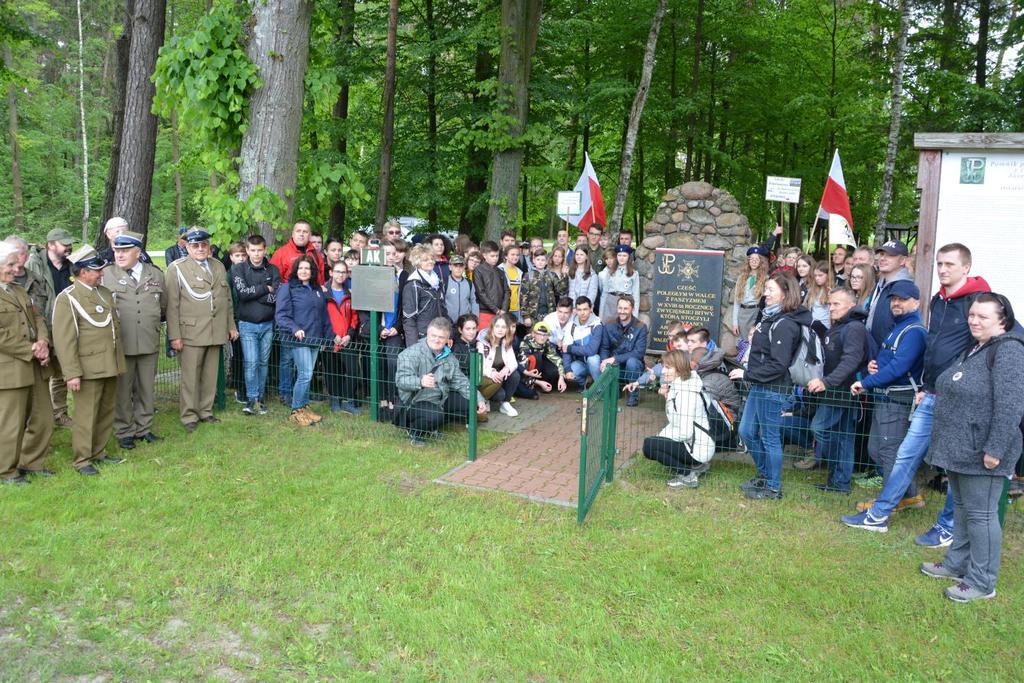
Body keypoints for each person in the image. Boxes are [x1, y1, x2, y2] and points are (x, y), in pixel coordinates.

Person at [842, 243, 991, 545]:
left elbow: (1002, 336)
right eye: (939, 264)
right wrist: (926, 386)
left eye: (950, 264)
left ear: (966, 268)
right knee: (904, 456)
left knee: (955, 466)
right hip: (932, 394)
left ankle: (948, 527)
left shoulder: (979, 300)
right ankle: (879, 515)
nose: (943, 269)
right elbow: (936, 350)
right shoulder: (939, 301)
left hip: (960, 399)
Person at [920, 293, 1024, 602]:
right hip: (961, 450)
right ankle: (956, 563)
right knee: (964, 509)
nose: (974, 320)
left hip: (984, 451)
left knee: (982, 515)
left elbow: (1010, 406)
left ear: (1002, 320)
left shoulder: (1009, 351)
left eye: (983, 317)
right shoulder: (978, 348)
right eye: (972, 315)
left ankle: (982, 582)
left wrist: (995, 449)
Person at [729, 273, 811, 500]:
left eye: (770, 289)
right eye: (766, 288)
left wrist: (748, 373)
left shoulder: (785, 324)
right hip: (760, 385)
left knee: (770, 437)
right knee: (746, 431)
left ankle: (773, 488)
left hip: (773, 388)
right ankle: (764, 475)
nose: (765, 293)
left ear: (785, 294)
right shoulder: (770, 317)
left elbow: (779, 364)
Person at [849, 280, 927, 511]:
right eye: (894, 299)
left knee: (889, 451)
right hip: (885, 396)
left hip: (897, 398)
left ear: (916, 302)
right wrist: (875, 366)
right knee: (877, 449)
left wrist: (866, 382)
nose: (896, 303)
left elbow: (899, 368)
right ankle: (911, 496)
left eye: (902, 299)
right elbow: (889, 362)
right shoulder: (899, 326)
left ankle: (889, 501)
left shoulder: (914, 331)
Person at [52, 246, 126, 475]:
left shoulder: (103, 292)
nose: (101, 274)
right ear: (82, 272)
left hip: (109, 363)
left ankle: (98, 452)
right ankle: (82, 460)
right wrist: (72, 373)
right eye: (96, 271)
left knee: (105, 411)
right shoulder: (67, 299)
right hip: (87, 367)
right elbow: (65, 341)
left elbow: (113, 329)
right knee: (86, 415)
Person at [166, 228, 239, 433]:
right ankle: (189, 414)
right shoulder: (177, 269)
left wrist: (230, 325)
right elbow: (172, 306)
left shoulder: (217, 266)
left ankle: (205, 411)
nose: (200, 249)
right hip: (190, 332)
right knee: (190, 376)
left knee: (210, 374)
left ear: (209, 246)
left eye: (204, 245)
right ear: (187, 247)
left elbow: (226, 299)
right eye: (195, 245)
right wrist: (174, 336)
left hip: (215, 330)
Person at [101, 231, 166, 450]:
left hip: (148, 339)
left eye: (125, 250)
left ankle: (144, 428)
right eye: (117, 250)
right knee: (122, 390)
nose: (119, 254)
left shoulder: (155, 274)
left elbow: (163, 305)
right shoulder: (106, 275)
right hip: (122, 342)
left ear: (138, 252)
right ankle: (124, 430)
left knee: (146, 387)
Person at [807, 288, 869, 493]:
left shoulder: (853, 328)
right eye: (830, 304)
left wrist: (828, 382)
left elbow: (851, 359)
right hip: (835, 389)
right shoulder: (839, 326)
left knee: (820, 428)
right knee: (843, 436)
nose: (831, 308)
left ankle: (839, 477)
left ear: (851, 305)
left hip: (842, 390)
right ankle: (839, 482)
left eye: (836, 304)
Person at [0, 242, 53, 484]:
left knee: (43, 416)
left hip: (35, 364)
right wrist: (29, 349)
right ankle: (6, 471)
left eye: (15, 263)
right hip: (10, 368)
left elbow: (38, 316)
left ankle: (31, 462)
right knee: (10, 423)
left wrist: (42, 341)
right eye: (9, 264)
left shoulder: (18, 290)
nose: (16, 268)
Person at [395, 317, 483, 445]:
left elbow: (462, 382)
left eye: (441, 337)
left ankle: (433, 423)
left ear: (447, 339)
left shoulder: (450, 358)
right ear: (427, 334)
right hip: (415, 401)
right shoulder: (410, 354)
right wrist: (420, 381)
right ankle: (415, 431)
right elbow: (400, 381)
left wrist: (479, 399)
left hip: (439, 398)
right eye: (433, 335)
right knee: (435, 415)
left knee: (470, 404)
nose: (436, 340)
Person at [641, 349, 715, 489]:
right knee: (655, 441)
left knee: (649, 446)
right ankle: (697, 465)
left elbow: (685, 433)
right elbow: (677, 423)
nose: (663, 371)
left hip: (698, 448)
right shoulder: (681, 384)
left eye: (668, 367)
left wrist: (662, 439)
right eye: (663, 366)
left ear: (680, 368)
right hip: (698, 444)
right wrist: (662, 436)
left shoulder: (685, 394)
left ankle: (687, 475)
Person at [270, 221, 323, 404]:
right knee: (287, 359)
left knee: (305, 369)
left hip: (310, 314)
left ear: (309, 235)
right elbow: (275, 280)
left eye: (305, 231)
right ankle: (286, 393)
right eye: (298, 231)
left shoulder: (315, 254)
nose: (302, 234)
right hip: (290, 315)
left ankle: (301, 399)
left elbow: (320, 280)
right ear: (292, 233)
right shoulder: (282, 253)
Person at [25, 228, 74, 426]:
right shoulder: (35, 264)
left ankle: (60, 413)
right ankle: (42, 416)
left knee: (63, 371)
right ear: (51, 245)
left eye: (70, 243)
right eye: (65, 244)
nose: (69, 247)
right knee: (44, 373)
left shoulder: (71, 264)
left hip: (67, 324)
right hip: (44, 324)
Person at [275, 256, 331, 427]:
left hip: (315, 338)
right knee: (305, 374)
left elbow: (324, 316)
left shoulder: (317, 290)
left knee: (307, 374)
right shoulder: (288, 288)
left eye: (307, 268)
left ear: (312, 271)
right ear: (295, 270)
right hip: (298, 339)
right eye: (300, 268)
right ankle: (296, 410)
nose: (304, 271)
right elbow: (281, 315)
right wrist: (294, 328)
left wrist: (329, 336)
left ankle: (305, 407)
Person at [231, 234, 281, 416]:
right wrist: (264, 289)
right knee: (251, 362)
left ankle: (260, 398)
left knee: (263, 362)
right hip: (247, 324)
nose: (256, 254)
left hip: (267, 324)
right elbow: (242, 293)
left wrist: (256, 295)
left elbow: (277, 297)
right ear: (247, 250)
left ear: (265, 249)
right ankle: (252, 399)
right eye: (252, 250)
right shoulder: (239, 269)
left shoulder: (273, 270)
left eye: (259, 250)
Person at [324, 261, 362, 416]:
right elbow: (321, 317)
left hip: (347, 339)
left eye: (343, 272)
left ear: (347, 274)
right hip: (330, 339)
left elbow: (355, 316)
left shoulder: (350, 294)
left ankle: (348, 401)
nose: (340, 275)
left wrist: (349, 334)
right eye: (337, 271)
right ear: (331, 272)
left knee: (353, 370)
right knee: (333, 372)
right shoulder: (323, 293)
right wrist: (332, 335)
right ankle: (335, 401)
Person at [599, 295, 648, 407]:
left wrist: (614, 359)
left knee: (632, 361)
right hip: (615, 367)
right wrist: (604, 361)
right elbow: (604, 348)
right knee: (613, 397)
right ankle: (615, 390)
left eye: (626, 308)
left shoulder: (641, 327)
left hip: (633, 367)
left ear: (632, 309)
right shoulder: (609, 325)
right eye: (620, 308)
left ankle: (633, 395)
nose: (622, 311)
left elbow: (639, 353)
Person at [865, 240, 914, 348]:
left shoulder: (904, 288)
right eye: (882, 254)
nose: (882, 258)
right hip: (873, 356)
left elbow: (904, 330)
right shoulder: (880, 284)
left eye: (890, 255)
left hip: (887, 358)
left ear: (902, 260)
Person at [685, 327, 741, 414]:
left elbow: (707, 401)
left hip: (721, 415)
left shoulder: (716, 362)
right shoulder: (690, 355)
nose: (688, 344)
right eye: (687, 340)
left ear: (704, 344)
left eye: (692, 341)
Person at [402, 244, 447, 347]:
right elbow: (409, 317)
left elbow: (443, 310)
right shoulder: (413, 284)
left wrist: (448, 334)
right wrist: (413, 346)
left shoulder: (437, 281)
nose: (430, 261)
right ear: (418, 263)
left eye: (431, 258)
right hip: (422, 336)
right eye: (425, 260)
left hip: (439, 334)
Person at [477, 314, 520, 417]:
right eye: (497, 326)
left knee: (515, 375)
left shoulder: (506, 341)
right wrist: (491, 372)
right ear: (492, 327)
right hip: (486, 376)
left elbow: (513, 362)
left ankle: (505, 403)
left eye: (503, 327)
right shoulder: (483, 342)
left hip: (500, 375)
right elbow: (479, 365)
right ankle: (484, 399)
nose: (500, 330)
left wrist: (507, 369)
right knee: (500, 395)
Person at [517, 321, 567, 398]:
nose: (542, 337)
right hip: (526, 374)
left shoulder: (547, 343)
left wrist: (561, 377)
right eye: (539, 334)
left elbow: (557, 360)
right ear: (533, 334)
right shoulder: (525, 344)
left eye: (545, 335)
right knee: (537, 357)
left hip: (538, 370)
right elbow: (522, 371)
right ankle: (535, 384)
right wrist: (538, 382)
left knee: (553, 370)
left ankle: (546, 384)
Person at [562, 296, 603, 387]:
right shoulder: (571, 326)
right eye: (579, 310)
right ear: (575, 310)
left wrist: (570, 348)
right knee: (571, 370)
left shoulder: (597, 325)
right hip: (581, 363)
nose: (582, 313)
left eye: (585, 309)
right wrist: (568, 370)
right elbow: (565, 351)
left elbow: (591, 350)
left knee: (593, 358)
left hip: (597, 364)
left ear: (591, 309)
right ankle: (584, 385)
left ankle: (601, 388)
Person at [520, 249, 566, 329]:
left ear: (546, 261)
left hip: (549, 314)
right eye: (538, 259)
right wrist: (526, 316)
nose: (540, 262)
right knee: (534, 336)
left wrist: (564, 277)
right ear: (533, 260)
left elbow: (560, 291)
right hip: (533, 316)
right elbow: (523, 297)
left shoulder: (551, 275)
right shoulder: (528, 276)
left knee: (548, 337)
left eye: (543, 260)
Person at [732, 246, 769, 343]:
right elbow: (737, 301)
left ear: (761, 261)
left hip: (756, 313)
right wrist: (735, 322)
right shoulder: (742, 277)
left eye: (757, 259)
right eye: (751, 259)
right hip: (742, 314)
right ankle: (743, 358)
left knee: (754, 341)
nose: (754, 261)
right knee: (742, 343)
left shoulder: (765, 278)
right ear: (748, 261)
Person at [473, 241, 510, 330]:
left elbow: (507, 291)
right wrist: (496, 310)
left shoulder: (500, 271)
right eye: (492, 256)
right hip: (485, 312)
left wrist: (504, 309)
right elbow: (481, 293)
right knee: (484, 338)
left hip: (501, 313)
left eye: (497, 256)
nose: (495, 259)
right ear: (484, 255)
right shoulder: (478, 270)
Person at [598, 246, 640, 324]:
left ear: (628, 257)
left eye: (624, 256)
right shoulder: (610, 271)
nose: (621, 258)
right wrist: (601, 315)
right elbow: (604, 294)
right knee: (609, 329)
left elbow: (636, 296)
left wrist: (635, 316)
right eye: (619, 255)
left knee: (624, 328)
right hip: (611, 303)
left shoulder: (634, 273)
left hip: (626, 304)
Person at [444, 254, 478, 324]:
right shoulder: (445, 282)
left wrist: (475, 318)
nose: (458, 268)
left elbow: (474, 301)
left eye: (461, 266)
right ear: (450, 267)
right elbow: (440, 304)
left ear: (464, 267)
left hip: (465, 323)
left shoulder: (469, 283)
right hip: (448, 323)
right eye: (455, 266)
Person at [499, 244, 524, 322]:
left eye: (517, 255)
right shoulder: (499, 270)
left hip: (516, 309)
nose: (515, 257)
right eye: (512, 254)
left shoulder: (519, 272)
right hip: (503, 309)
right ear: (506, 256)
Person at [806, 261, 831, 337]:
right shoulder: (812, 290)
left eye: (820, 275)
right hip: (813, 326)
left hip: (826, 327)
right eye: (815, 275)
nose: (817, 278)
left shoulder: (832, 290)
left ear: (828, 275)